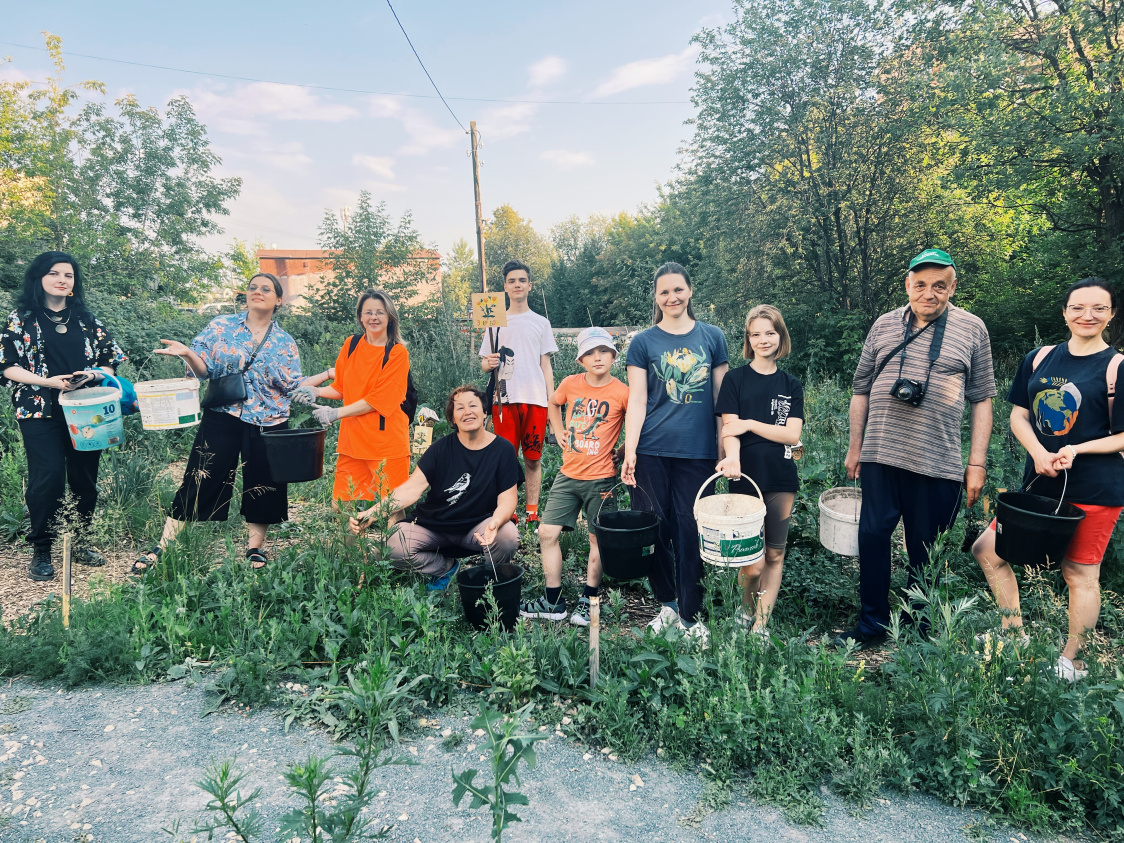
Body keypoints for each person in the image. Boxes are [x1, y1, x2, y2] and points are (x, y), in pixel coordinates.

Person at [839, 248, 995, 648]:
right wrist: (855, 448)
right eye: (920, 284)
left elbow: (983, 399)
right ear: (907, 284)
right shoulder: (884, 325)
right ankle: (871, 626)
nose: (929, 293)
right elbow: (860, 390)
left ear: (952, 287)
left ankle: (918, 631)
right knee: (873, 540)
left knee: (926, 551)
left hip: (937, 461)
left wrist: (976, 463)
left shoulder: (973, 328)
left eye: (939, 285)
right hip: (879, 455)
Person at [972, 277, 1124, 681]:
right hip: (1041, 484)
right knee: (988, 549)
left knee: (1079, 574)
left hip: (1095, 487)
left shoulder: (1116, 367)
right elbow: (1019, 414)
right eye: (1077, 307)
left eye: (1098, 308)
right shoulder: (1040, 358)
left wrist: (1077, 450)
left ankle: (1072, 661)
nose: (1087, 315)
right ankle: (1013, 632)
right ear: (1064, 312)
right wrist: (1039, 453)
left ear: (1111, 314)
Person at [135, 272, 331, 573]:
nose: (258, 292)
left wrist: (329, 374)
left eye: (266, 289)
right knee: (199, 477)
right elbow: (203, 371)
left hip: (269, 419)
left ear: (279, 299)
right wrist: (187, 353)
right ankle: (164, 545)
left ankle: (255, 548)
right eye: (253, 288)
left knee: (264, 484)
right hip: (223, 415)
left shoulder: (285, 342)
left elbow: (293, 386)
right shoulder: (221, 326)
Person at [0, 251, 126, 581]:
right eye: (54, 273)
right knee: (49, 477)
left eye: (68, 275)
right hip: (38, 409)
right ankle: (42, 547)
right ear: (39, 278)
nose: (62, 279)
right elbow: (7, 366)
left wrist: (92, 376)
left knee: (85, 479)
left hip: (86, 410)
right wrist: (47, 382)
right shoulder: (21, 318)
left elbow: (108, 360)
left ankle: (81, 541)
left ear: (74, 283)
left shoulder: (86, 319)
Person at [621, 262, 729, 645]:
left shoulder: (713, 337)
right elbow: (637, 399)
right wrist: (630, 448)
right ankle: (667, 605)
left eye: (678, 290)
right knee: (655, 528)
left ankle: (691, 616)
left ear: (690, 291)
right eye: (664, 292)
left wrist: (723, 446)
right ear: (656, 297)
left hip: (697, 454)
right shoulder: (643, 342)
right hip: (651, 449)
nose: (672, 298)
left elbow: (722, 399)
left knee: (690, 528)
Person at [349, 385, 521, 587]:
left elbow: (508, 499)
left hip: (478, 526)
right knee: (390, 546)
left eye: (473, 405)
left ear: (485, 412)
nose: (467, 412)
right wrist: (373, 513)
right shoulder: (440, 449)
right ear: (453, 419)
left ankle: (492, 580)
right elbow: (411, 489)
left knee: (507, 535)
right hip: (435, 526)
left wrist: (496, 522)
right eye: (459, 408)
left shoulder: (503, 450)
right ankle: (444, 568)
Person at [521, 327, 629, 626]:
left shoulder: (622, 392)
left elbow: (637, 426)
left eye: (603, 351)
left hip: (602, 478)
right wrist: (556, 430)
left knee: (598, 541)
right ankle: (553, 601)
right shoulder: (570, 384)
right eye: (590, 353)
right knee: (546, 533)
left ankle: (588, 598)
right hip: (568, 474)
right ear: (581, 359)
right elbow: (553, 404)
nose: (597, 358)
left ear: (613, 355)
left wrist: (623, 450)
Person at [715, 305, 804, 634]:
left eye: (770, 333)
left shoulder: (791, 384)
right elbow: (729, 430)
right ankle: (745, 607)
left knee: (775, 555)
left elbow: (792, 434)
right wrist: (733, 458)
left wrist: (750, 423)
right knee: (751, 563)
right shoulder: (734, 380)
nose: (763, 339)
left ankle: (761, 625)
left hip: (781, 478)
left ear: (780, 337)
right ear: (748, 340)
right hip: (744, 477)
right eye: (756, 334)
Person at [295, 290, 410, 510]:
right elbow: (341, 388)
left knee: (392, 508)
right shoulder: (352, 344)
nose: (373, 317)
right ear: (360, 316)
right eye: (368, 312)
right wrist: (316, 392)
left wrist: (335, 413)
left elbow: (378, 400)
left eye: (380, 312)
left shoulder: (397, 353)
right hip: (352, 441)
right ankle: (353, 546)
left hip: (385, 444)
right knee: (341, 505)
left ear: (390, 317)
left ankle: (397, 546)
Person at [480, 260, 557, 526]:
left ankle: (532, 511)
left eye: (522, 280)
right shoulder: (494, 322)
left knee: (533, 458)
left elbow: (545, 365)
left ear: (529, 285)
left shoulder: (541, 322)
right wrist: (487, 363)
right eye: (512, 281)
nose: (517, 285)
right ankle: (509, 509)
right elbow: (484, 361)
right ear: (505, 287)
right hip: (504, 401)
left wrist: (552, 402)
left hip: (535, 400)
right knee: (506, 459)